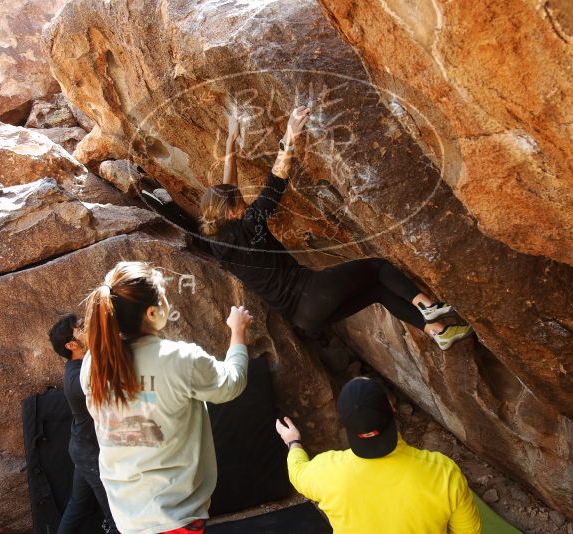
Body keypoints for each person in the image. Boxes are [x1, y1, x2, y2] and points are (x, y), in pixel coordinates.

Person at [200, 106, 473, 350]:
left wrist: (230, 143)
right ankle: (428, 307)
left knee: (377, 291)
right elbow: (276, 181)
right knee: (378, 267)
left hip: (303, 317)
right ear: (232, 212)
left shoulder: (218, 239)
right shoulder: (250, 220)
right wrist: (290, 135)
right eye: (242, 204)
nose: (247, 203)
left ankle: (438, 332)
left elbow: (228, 191)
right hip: (311, 292)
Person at [81, 261, 252, 534]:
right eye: (163, 296)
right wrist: (238, 332)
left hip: (128, 517)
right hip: (174, 516)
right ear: (152, 312)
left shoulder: (94, 364)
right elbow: (231, 383)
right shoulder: (179, 358)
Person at [275, 377, 481, 533]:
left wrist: (293, 442)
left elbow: (297, 472)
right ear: (392, 408)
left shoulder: (326, 471)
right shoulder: (443, 472)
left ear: (344, 422)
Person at [48, 314, 119, 534]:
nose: (87, 327)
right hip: (90, 452)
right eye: (81, 327)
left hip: (85, 447)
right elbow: (101, 388)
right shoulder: (76, 377)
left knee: (78, 505)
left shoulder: (86, 363)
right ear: (71, 345)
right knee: (116, 513)